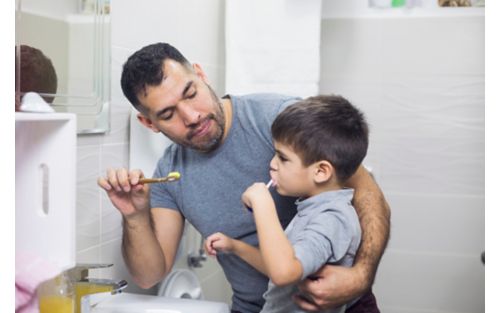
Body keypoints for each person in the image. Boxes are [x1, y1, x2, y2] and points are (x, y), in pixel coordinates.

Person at [97, 42, 390, 313]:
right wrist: (134, 216)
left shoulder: (278, 119)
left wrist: (360, 276)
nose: (192, 116)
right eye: (168, 113)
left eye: (191, 93)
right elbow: (149, 276)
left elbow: (367, 192)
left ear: (200, 74)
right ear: (149, 123)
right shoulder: (169, 174)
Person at [204, 95, 369, 313]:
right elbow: (280, 266)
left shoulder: (331, 219)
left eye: (282, 158)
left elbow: (284, 272)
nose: (272, 164)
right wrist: (235, 247)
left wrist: (264, 205)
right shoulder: (313, 209)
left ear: (321, 171)